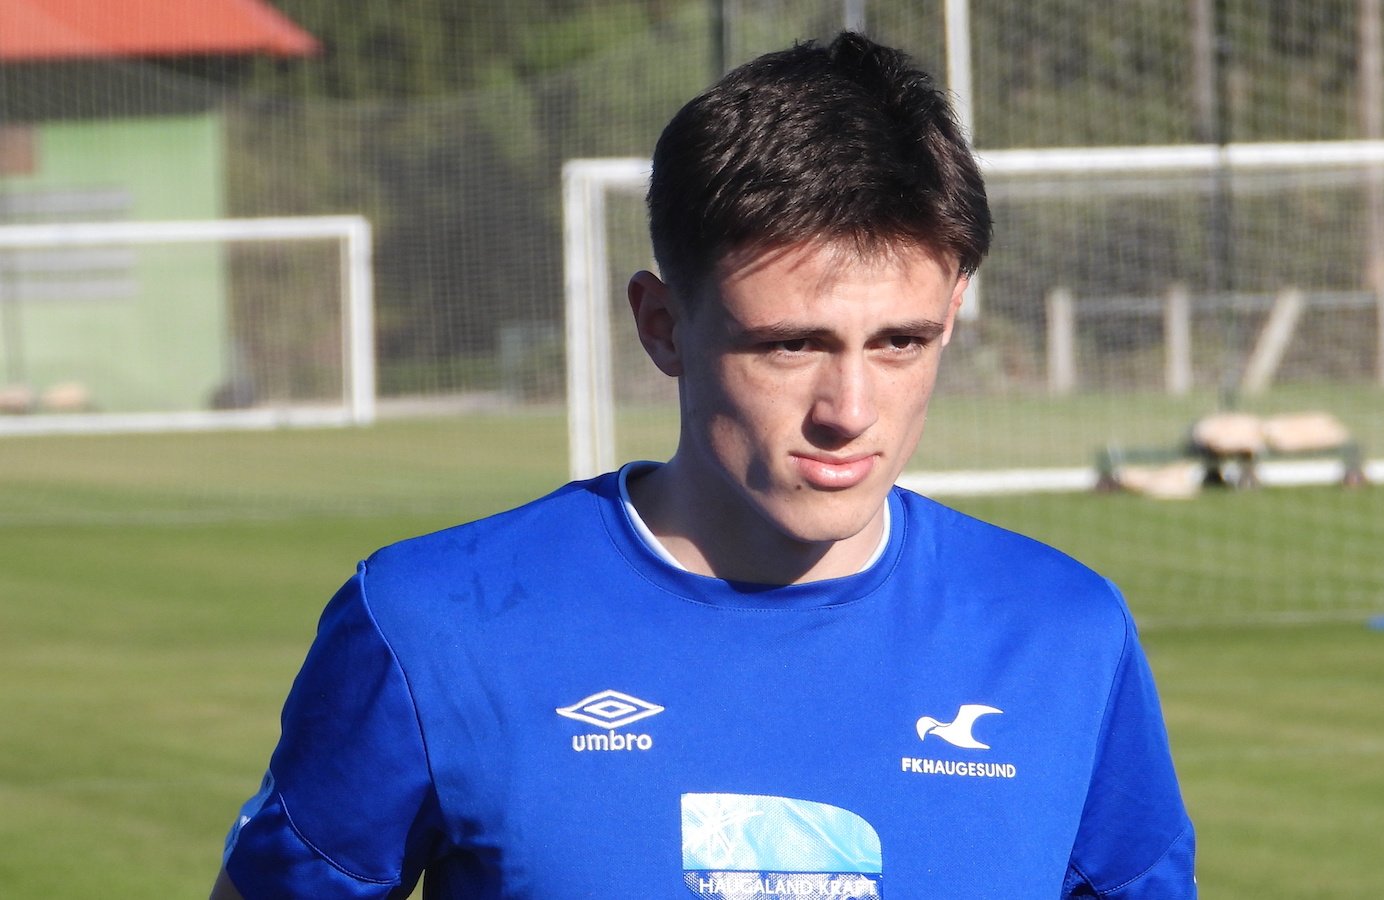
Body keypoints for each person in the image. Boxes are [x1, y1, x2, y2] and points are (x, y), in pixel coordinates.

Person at [211, 32, 1195, 899]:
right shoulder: (434, 623)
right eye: (789, 345)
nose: (850, 412)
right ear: (661, 325)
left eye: (901, 342)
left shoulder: (1063, 635)